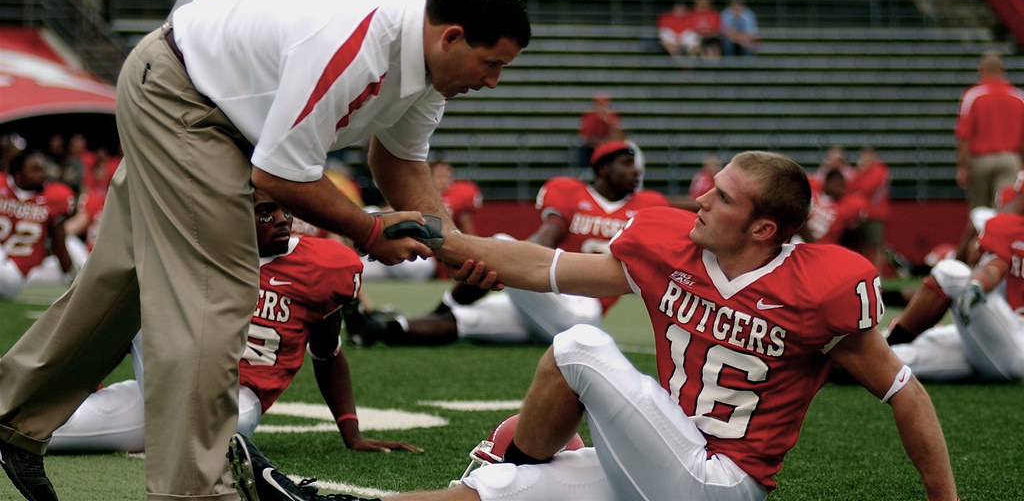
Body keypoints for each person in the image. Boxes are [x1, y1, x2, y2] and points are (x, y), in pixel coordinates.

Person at [0, 0, 529, 501]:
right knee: (216, 291)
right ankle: (198, 489)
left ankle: (11, 418)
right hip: (185, 96)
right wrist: (369, 230)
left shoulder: (429, 57)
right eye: (492, 65)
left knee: (120, 283)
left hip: (207, 99)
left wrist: (452, 248)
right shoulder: (360, 44)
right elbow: (279, 177)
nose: (491, 82)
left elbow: (399, 159)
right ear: (452, 37)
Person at [233, 150, 958, 501]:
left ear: (764, 227)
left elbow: (907, 396)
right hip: (656, 458)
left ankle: (520, 453)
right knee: (482, 497)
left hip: (722, 483)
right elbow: (539, 266)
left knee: (580, 344)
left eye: (724, 196)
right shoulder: (669, 247)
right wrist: (439, 237)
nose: (700, 197)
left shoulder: (823, 287)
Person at [47, 189, 420, 455]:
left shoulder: (324, 265)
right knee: (43, 432)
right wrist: (84, 382)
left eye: (284, 210)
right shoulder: (201, 252)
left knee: (219, 432)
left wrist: (350, 430)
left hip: (234, 400)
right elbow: (125, 326)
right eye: (264, 213)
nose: (280, 220)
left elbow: (327, 351)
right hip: (164, 385)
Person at [347, 141, 668, 346]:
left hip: (582, 308)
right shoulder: (569, 191)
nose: (636, 170)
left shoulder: (649, 203)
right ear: (602, 168)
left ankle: (445, 302)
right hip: (545, 298)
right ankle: (377, 331)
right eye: (626, 163)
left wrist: (514, 261)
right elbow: (548, 236)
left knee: (500, 245)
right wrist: (522, 267)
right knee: (467, 322)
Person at [886, 196, 1024, 382]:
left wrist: (975, 284)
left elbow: (987, 266)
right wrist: (977, 284)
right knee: (900, 360)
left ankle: (891, 340)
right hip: (999, 339)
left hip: (1016, 350)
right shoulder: (1011, 230)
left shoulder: (1005, 226)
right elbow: (994, 267)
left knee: (951, 272)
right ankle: (851, 360)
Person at [0, 150, 81, 299]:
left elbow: (59, 242)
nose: (42, 174)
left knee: (74, 245)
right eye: (35, 170)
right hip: (4, 259)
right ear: (18, 174)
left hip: (22, 272)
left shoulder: (54, 196)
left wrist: (70, 275)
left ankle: (81, 283)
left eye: (43, 169)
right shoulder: (2, 185)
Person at [955, 51, 1024, 210]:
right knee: (1005, 207)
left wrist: (962, 167)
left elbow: (964, 135)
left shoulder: (974, 95)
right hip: (1010, 159)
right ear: (1002, 71)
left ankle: (982, 234)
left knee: (979, 210)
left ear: (983, 70)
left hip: (981, 160)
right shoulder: (1018, 96)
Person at [847, 146, 890, 274]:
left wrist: (862, 172)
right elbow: (850, 186)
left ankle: (878, 273)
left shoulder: (879, 170)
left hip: (875, 214)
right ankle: (865, 271)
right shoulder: (860, 171)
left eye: (868, 156)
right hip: (859, 214)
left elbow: (867, 187)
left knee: (875, 245)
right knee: (863, 246)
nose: (865, 159)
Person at [432, 161, 482, 235]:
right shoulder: (422, 194)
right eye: (439, 177)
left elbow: (467, 228)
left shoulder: (459, 194)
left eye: (446, 177)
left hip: (452, 236)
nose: (443, 181)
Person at [576, 90, 622, 168]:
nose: (601, 107)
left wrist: (608, 121)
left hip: (607, 147)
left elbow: (618, 135)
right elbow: (585, 137)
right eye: (599, 105)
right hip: (592, 147)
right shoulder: (589, 116)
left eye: (604, 105)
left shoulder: (612, 116)